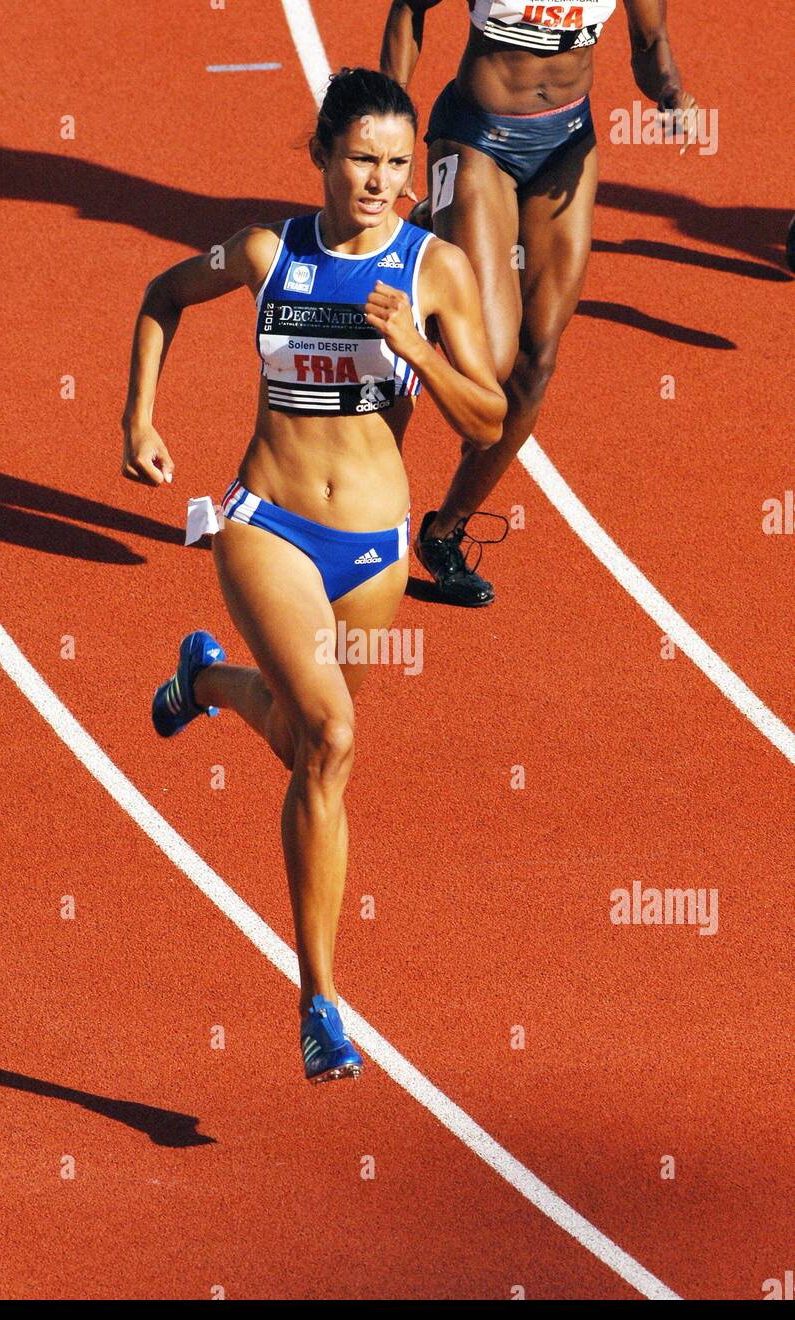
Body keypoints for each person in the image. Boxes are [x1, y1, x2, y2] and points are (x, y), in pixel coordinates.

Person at [120, 68, 505, 1083]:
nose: (380, 180)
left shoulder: (438, 269)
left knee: (301, 740)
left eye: (396, 164)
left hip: (374, 551)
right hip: (266, 524)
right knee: (335, 735)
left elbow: (490, 420)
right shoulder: (263, 250)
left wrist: (414, 342)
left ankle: (201, 681)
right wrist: (138, 419)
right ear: (323, 157)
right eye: (362, 159)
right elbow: (164, 294)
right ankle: (320, 1002)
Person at [381, 1, 698, 605]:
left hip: (566, 143)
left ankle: (445, 531)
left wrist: (670, 95)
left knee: (534, 367)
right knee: (489, 368)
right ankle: (439, 230)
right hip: (476, 136)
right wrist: (388, 121)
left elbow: (650, 41)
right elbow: (410, 8)